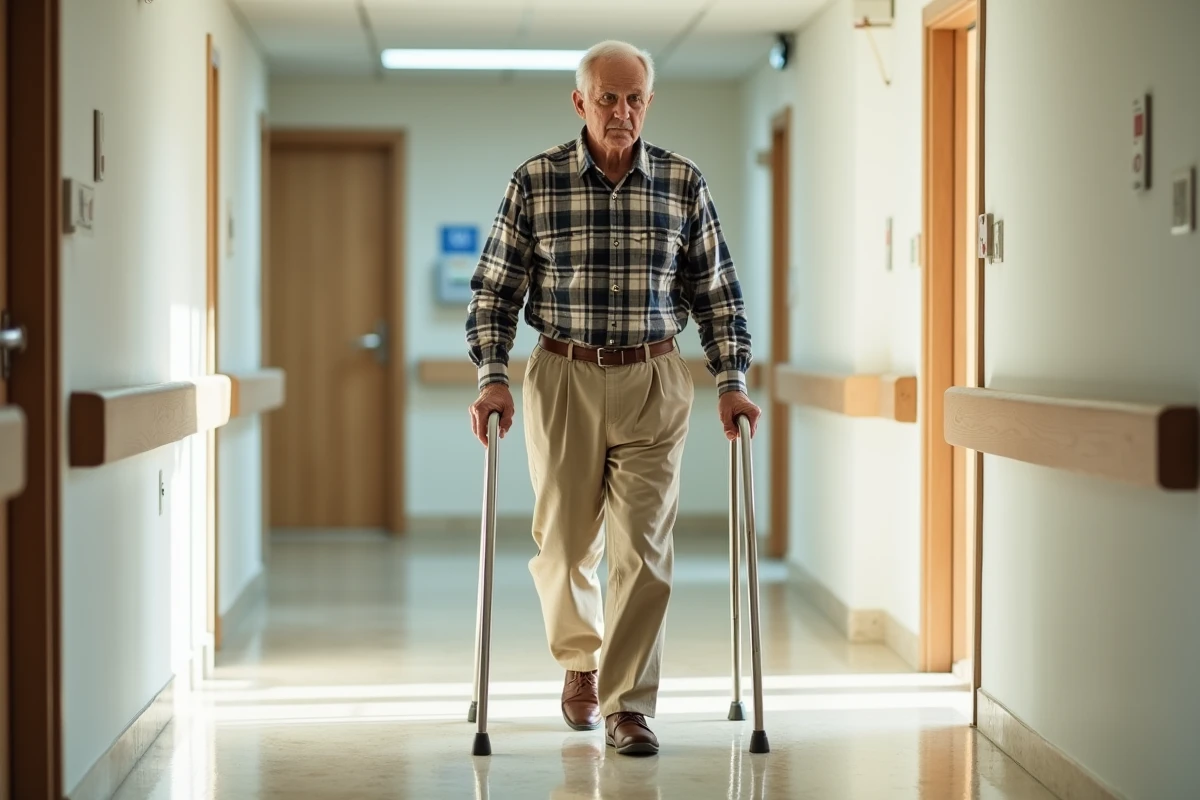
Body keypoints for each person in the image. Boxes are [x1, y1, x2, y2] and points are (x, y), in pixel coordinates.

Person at [465, 39, 760, 756]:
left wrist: (731, 380)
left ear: (648, 102)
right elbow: (495, 290)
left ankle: (629, 704)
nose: (621, 111)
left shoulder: (683, 183)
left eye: (633, 98)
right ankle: (579, 662)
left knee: (643, 551)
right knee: (564, 544)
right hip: (562, 374)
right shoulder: (535, 181)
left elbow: (716, 292)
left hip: (655, 378)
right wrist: (492, 375)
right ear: (580, 101)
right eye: (607, 98)